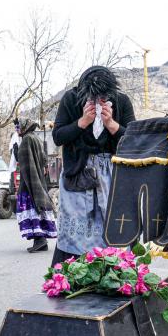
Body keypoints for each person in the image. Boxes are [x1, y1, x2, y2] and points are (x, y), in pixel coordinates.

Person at [51, 66, 136, 264]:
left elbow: (134, 141)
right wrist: (82, 121)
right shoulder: (71, 99)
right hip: (78, 173)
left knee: (114, 227)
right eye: (93, 98)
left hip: (112, 175)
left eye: (103, 98)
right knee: (77, 227)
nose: (98, 102)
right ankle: (75, 276)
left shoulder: (121, 101)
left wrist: (112, 125)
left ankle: (116, 276)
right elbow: (58, 136)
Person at [16, 118, 57, 252]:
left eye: (18, 126)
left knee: (33, 209)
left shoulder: (27, 139)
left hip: (30, 182)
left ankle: (40, 240)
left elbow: (28, 165)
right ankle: (40, 242)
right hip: (36, 179)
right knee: (35, 209)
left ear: (24, 126)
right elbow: (43, 160)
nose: (17, 129)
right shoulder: (35, 137)